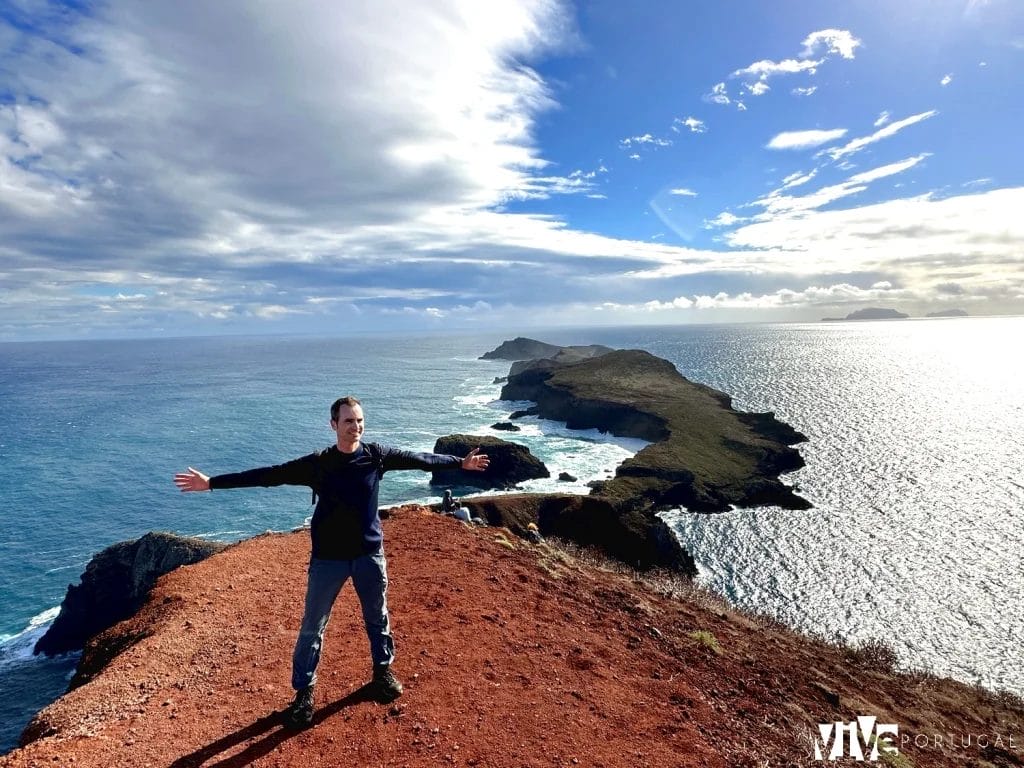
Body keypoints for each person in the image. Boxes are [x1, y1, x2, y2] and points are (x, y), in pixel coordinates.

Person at [173, 396, 489, 729]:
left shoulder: (376, 456)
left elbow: (420, 459)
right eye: (349, 421)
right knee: (313, 626)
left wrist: (459, 463)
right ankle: (304, 693)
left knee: (377, 617)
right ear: (334, 425)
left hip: (369, 555)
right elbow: (270, 475)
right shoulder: (318, 464)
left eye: (360, 421)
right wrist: (212, 483)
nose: (356, 427)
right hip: (328, 559)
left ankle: (382, 672)